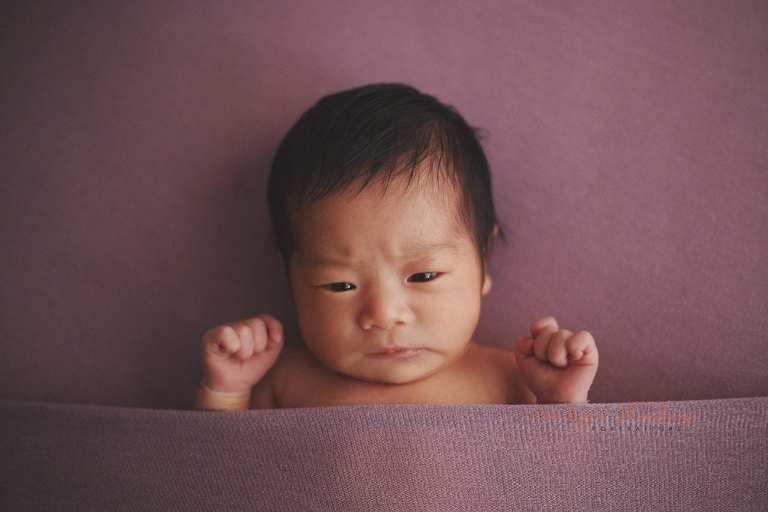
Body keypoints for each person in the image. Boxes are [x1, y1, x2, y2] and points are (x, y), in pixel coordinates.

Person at [195, 83, 599, 411]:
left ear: (483, 260)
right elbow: (218, 478)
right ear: (291, 277)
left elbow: (563, 481)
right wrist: (227, 391)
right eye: (339, 285)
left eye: (424, 275)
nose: (384, 315)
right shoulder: (284, 381)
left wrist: (560, 402)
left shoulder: (511, 378)